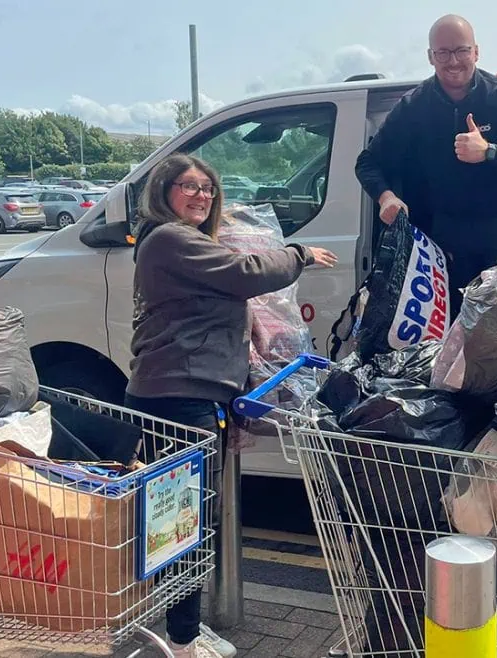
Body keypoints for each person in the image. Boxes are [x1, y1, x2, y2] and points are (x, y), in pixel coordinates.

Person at [124, 154, 337, 658]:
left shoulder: (182, 241)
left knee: (182, 520)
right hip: (179, 396)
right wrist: (298, 252)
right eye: (188, 186)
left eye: (208, 188)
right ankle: (183, 639)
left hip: (191, 391)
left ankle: (185, 628)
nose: (201, 196)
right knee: (182, 523)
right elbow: (245, 273)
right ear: (163, 191)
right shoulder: (169, 239)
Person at [354, 13, 497, 311]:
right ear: (431, 57)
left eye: (461, 50)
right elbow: (368, 162)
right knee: (449, 332)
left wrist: (490, 152)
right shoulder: (414, 106)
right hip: (444, 239)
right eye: (443, 52)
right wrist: (386, 197)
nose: (453, 61)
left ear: (476, 52)